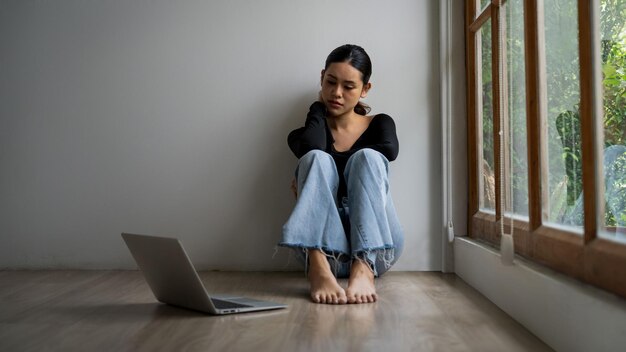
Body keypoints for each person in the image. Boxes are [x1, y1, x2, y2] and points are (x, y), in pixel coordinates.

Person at [279, 44, 404, 305]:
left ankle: (363, 268)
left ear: (365, 89)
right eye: (330, 82)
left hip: (378, 248)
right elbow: (311, 149)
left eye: (348, 87)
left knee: (367, 158)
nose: (336, 93)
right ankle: (318, 270)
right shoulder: (304, 136)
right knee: (314, 159)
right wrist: (316, 107)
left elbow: (388, 153)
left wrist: (310, 187)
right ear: (322, 78)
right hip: (324, 251)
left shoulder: (380, 124)